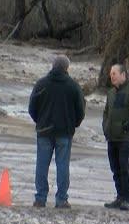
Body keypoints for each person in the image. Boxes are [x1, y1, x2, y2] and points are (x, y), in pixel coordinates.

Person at [28, 55, 86, 208]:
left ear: (52, 66)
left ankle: (40, 198)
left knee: (42, 164)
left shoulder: (41, 84)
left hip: (44, 131)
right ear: (67, 68)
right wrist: (74, 124)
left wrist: (39, 121)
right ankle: (61, 199)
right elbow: (80, 109)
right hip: (64, 132)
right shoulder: (73, 86)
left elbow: (32, 107)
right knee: (62, 165)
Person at [102, 64, 129, 211]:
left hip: (127, 137)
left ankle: (127, 198)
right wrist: (105, 127)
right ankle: (119, 196)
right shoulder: (111, 93)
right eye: (110, 74)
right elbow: (106, 112)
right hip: (112, 137)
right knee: (115, 167)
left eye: (114, 73)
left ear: (123, 74)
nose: (112, 76)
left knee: (124, 167)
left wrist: (126, 126)